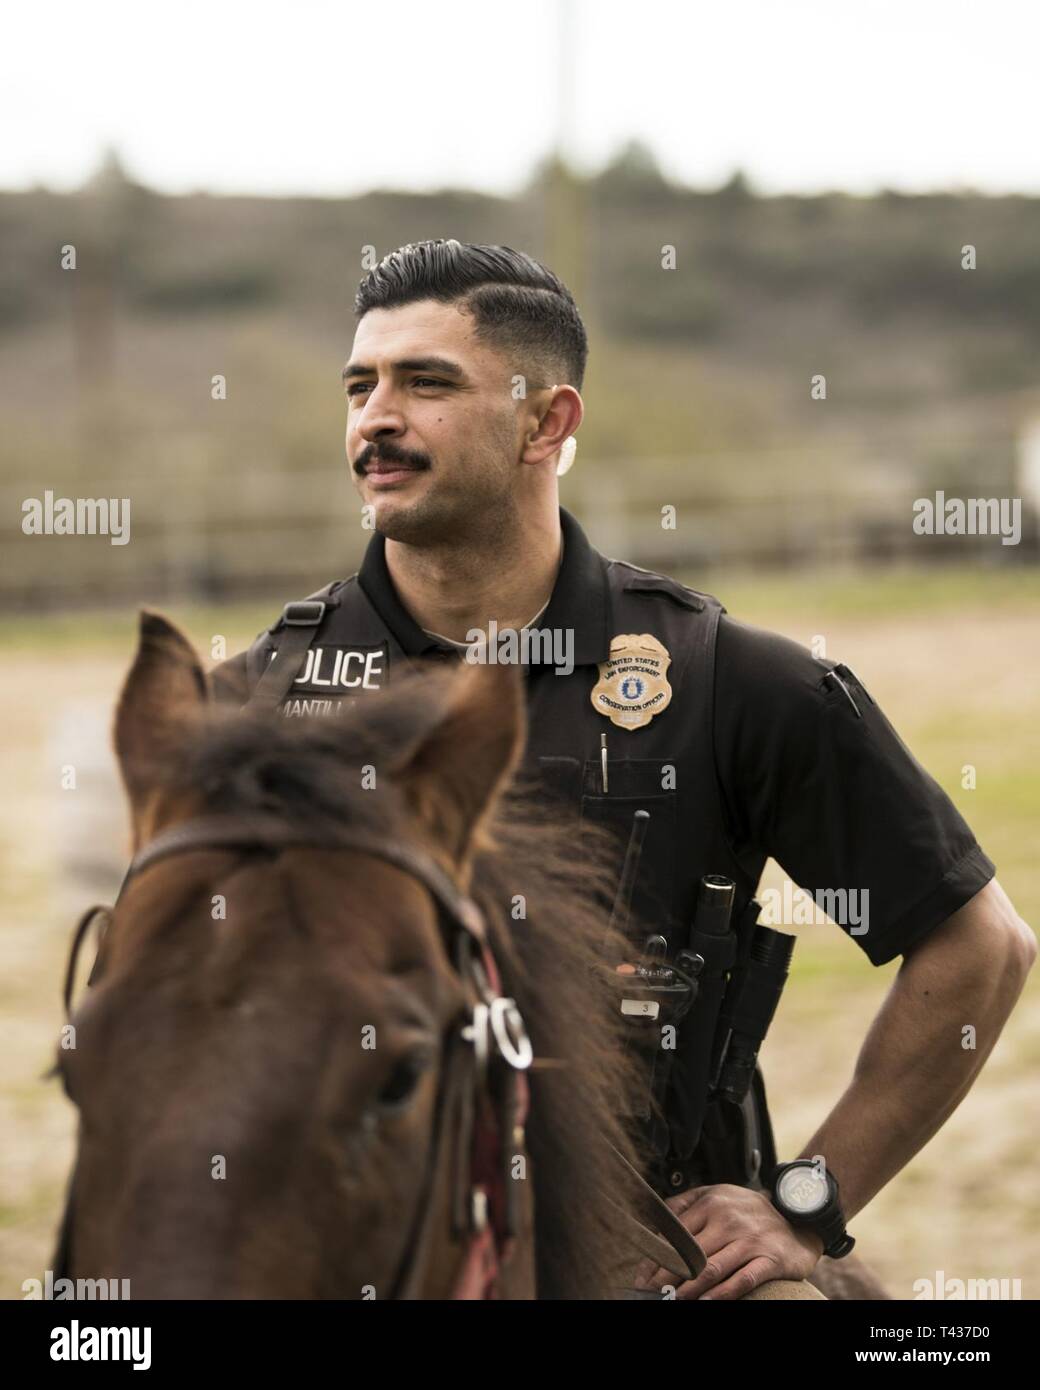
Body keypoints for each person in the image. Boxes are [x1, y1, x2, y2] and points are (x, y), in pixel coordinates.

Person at [211, 239, 1036, 1300]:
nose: (375, 417)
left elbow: (978, 946)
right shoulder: (261, 700)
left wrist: (807, 1203)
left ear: (545, 423)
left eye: (426, 383)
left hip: (651, 1264)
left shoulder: (729, 684)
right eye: (360, 385)